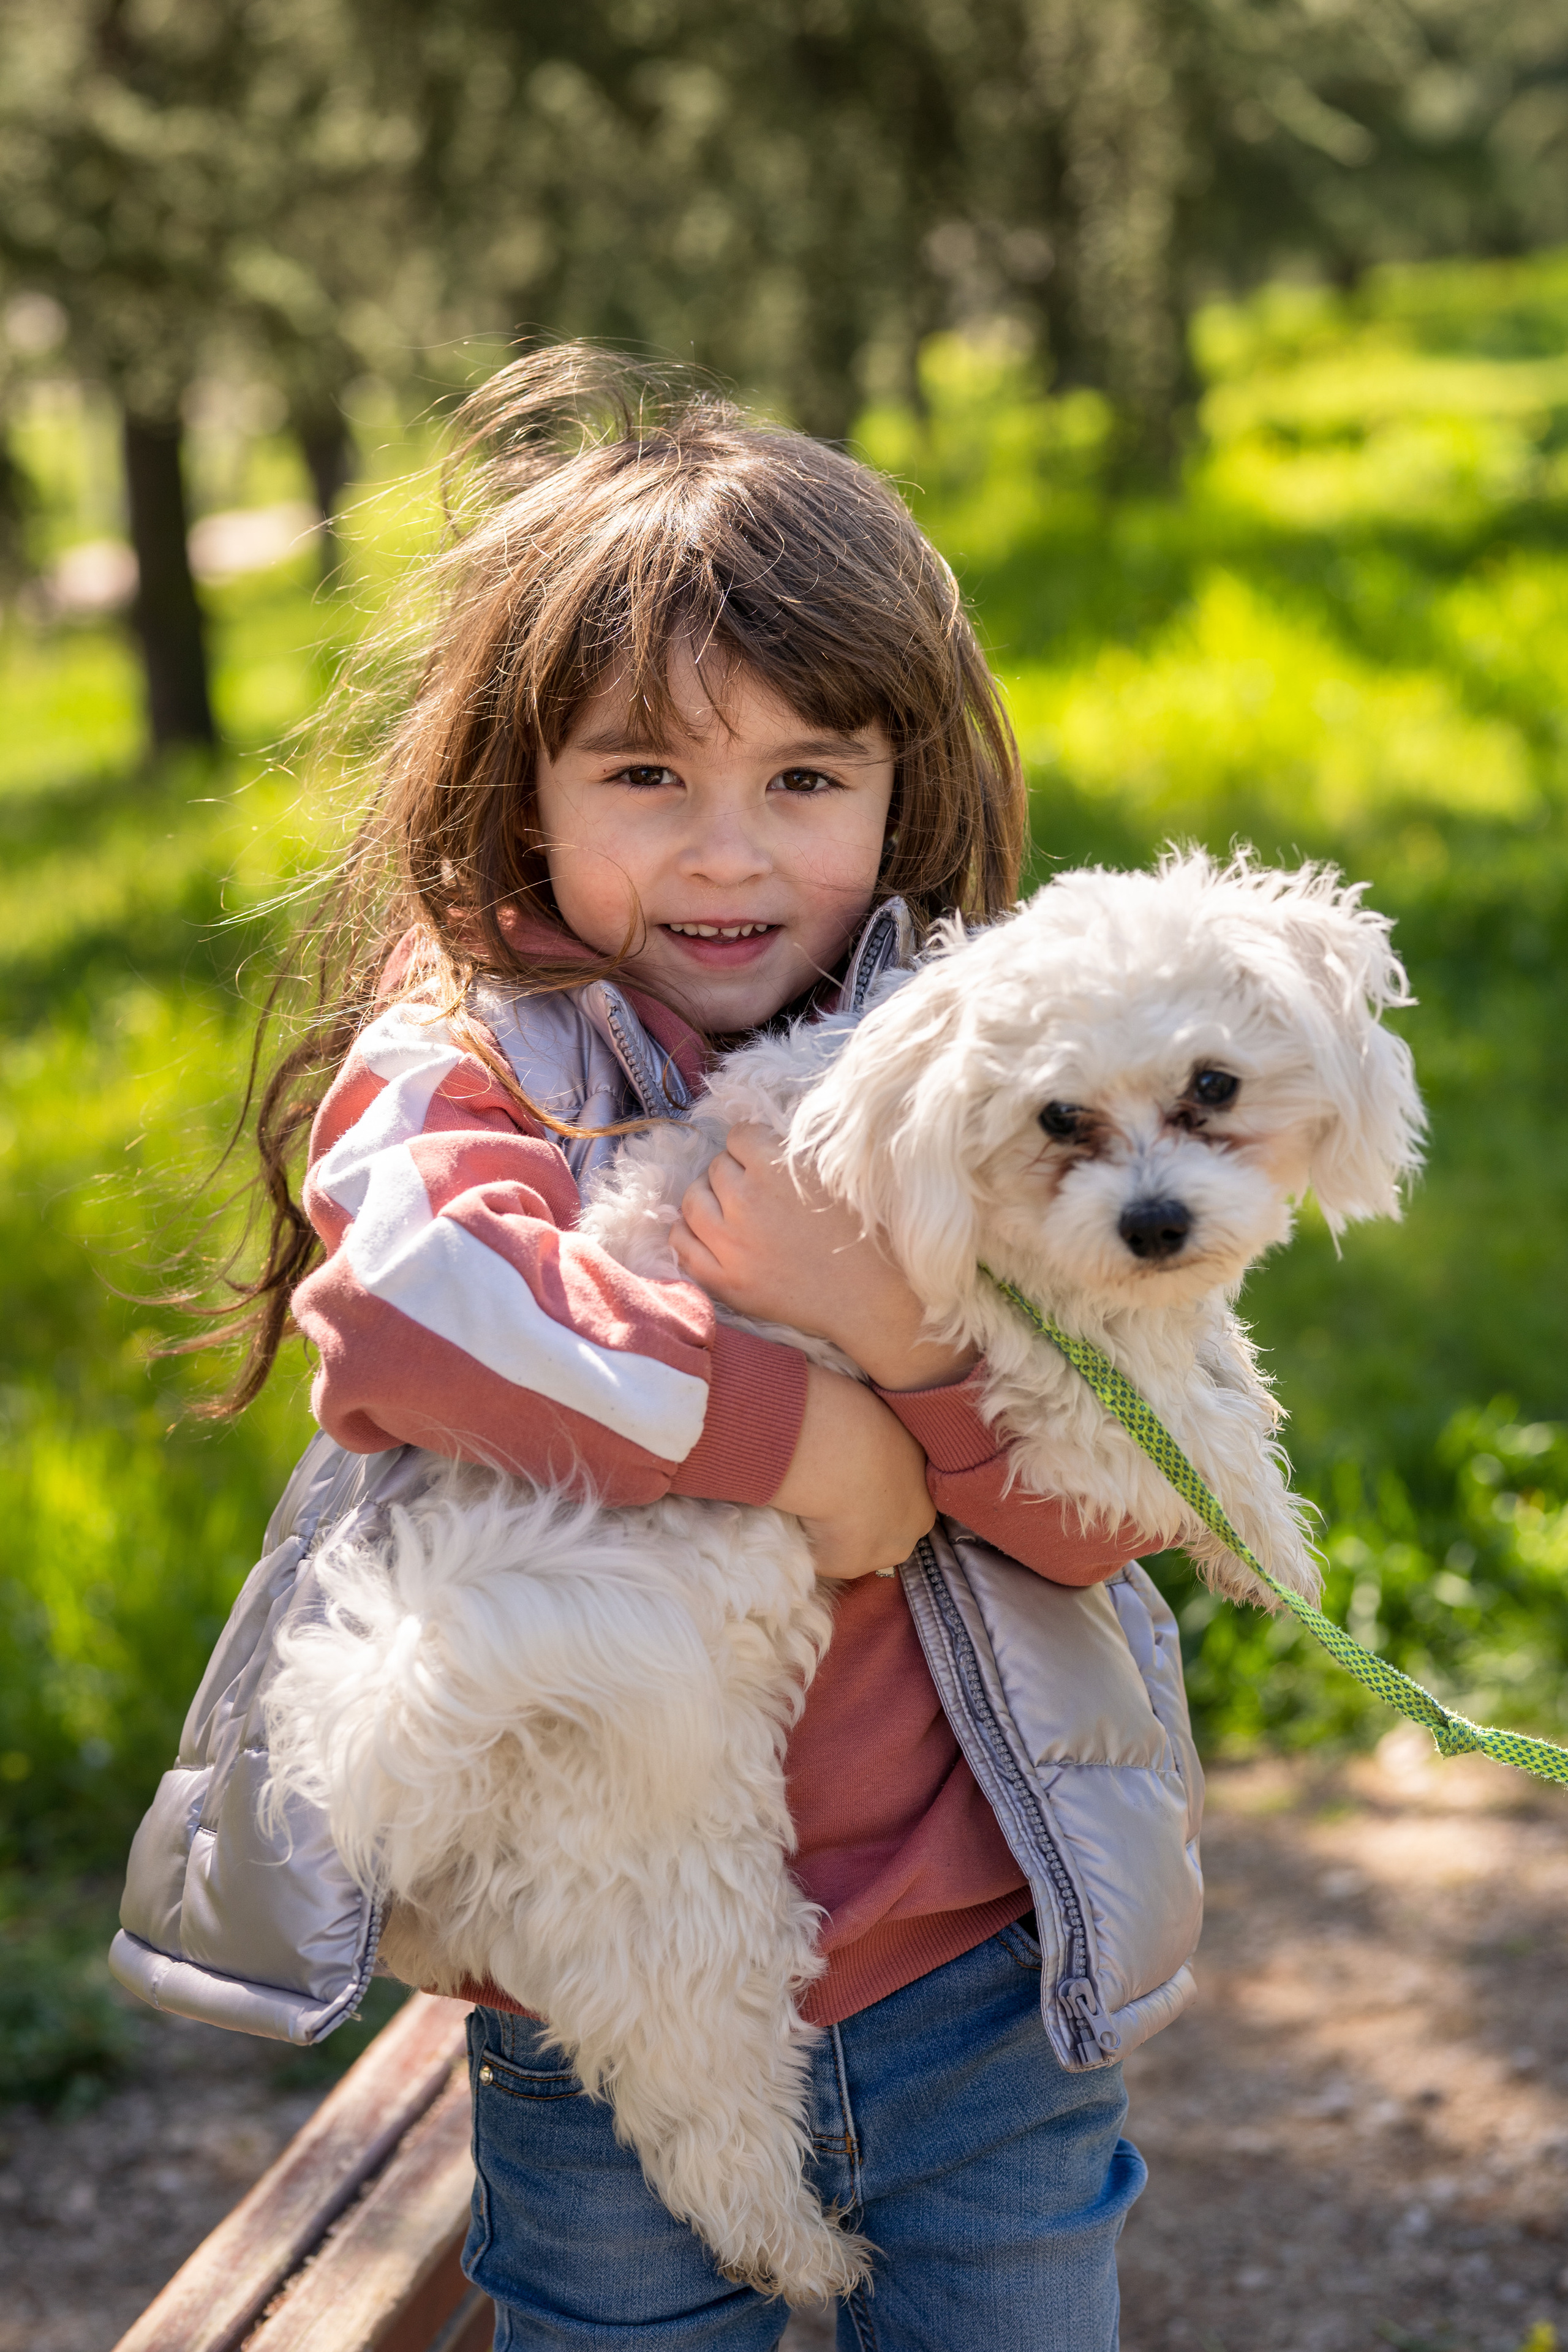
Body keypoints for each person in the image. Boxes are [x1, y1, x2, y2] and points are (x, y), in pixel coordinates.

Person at [217, 347, 1194, 2351]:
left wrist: (899, 1334)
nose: (731, 854)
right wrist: (806, 1437)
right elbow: (415, 1308)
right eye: (648, 777)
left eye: (807, 780)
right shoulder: (473, 1064)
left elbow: (1109, 1512)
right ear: (525, 783)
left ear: (907, 787)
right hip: (596, 2005)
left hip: (979, 1971)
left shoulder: (996, 1076)